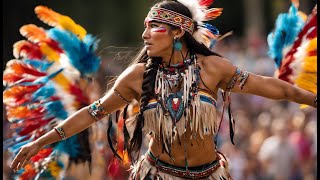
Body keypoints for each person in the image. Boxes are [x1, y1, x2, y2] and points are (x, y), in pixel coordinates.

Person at [10, 0, 317, 179]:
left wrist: (313, 99)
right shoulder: (136, 76)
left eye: (152, 27)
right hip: (157, 174)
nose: (144, 34)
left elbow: (274, 89)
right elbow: (92, 113)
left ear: (178, 32)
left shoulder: (213, 68)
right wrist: (41, 142)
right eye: (144, 26)